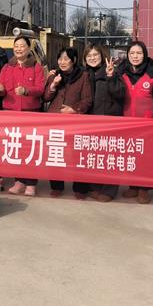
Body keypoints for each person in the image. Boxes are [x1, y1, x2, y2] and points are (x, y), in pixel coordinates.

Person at [117, 40, 153, 204]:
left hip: (147, 124)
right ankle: (133, 186)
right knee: (131, 155)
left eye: (139, 53)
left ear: (145, 55)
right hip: (126, 122)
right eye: (132, 53)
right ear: (127, 55)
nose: (135, 56)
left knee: (147, 156)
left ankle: (144, 188)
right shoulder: (120, 72)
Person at [0, 36, 46, 197]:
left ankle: (31, 183)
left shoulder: (36, 67)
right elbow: (1, 90)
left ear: (28, 48)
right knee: (15, 148)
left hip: (30, 114)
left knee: (29, 149)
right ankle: (19, 181)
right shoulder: (7, 67)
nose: (18, 49)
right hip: (10, 114)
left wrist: (26, 91)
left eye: (22, 46)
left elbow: (41, 89)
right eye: (16, 46)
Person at [43, 47, 93, 198]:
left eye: (66, 59)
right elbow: (46, 97)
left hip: (75, 122)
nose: (62, 62)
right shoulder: (54, 75)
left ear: (74, 60)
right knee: (55, 153)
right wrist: (53, 85)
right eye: (60, 59)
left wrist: (74, 109)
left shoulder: (83, 76)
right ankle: (56, 186)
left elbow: (87, 99)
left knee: (77, 154)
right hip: (55, 121)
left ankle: (80, 188)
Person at [82, 44, 125, 202]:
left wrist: (110, 76)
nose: (92, 58)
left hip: (109, 120)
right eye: (89, 56)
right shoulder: (84, 74)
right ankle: (94, 187)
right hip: (90, 121)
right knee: (93, 156)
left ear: (102, 56)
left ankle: (109, 190)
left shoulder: (112, 71)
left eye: (95, 55)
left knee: (109, 156)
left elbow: (121, 93)